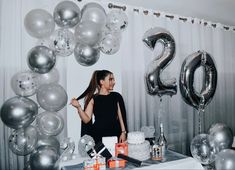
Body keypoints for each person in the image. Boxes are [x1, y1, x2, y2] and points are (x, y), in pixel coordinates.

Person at [70, 70, 128, 144]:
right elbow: (86, 120)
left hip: (115, 134)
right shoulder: (93, 99)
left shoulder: (116, 96)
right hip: (98, 136)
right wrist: (78, 107)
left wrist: (123, 132)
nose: (114, 82)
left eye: (113, 79)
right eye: (110, 79)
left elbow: (121, 117)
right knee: (100, 156)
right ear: (102, 82)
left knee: (116, 155)